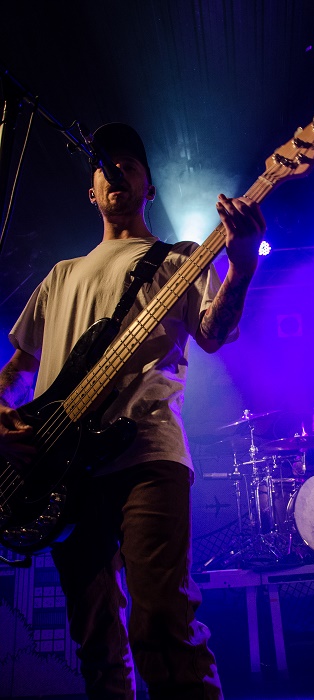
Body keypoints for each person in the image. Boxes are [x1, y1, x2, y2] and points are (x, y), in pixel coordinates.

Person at [0, 123, 266, 699]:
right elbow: (19, 369)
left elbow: (213, 333)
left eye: (128, 163)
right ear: (90, 192)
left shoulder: (182, 259)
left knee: (162, 625)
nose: (114, 170)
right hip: (60, 471)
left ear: (150, 188)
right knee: (96, 642)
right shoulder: (60, 275)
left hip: (147, 454)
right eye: (104, 165)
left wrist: (242, 267)